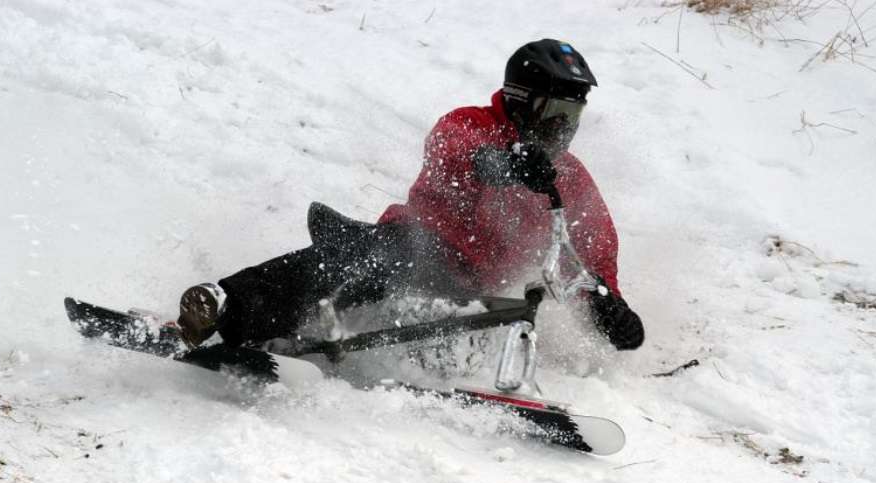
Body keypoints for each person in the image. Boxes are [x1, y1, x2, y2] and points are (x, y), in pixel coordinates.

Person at [178, 38, 644, 353]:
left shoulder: (569, 178)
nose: (562, 128)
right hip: (416, 244)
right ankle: (226, 307)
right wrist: (501, 164)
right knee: (364, 261)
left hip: (466, 287)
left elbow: (591, 244)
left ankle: (293, 321)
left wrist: (609, 302)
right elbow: (456, 151)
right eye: (553, 112)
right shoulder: (471, 124)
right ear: (521, 100)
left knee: (370, 277)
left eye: (571, 114)